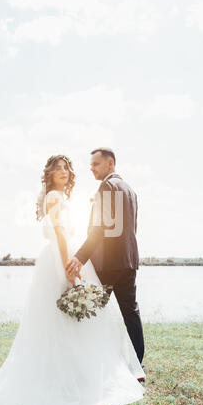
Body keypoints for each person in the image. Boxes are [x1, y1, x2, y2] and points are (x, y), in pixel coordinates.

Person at [0, 154, 145, 405]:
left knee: (63, 322)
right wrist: (70, 268)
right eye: (58, 168)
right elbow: (62, 234)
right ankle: (73, 380)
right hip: (60, 260)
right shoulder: (56, 198)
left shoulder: (54, 198)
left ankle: (68, 375)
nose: (63, 172)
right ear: (49, 173)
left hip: (55, 260)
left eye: (66, 168)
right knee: (71, 321)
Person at [66, 148, 145, 366]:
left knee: (92, 312)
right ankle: (138, 364)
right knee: (131, 312)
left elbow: (99, 228)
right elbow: (133, 228)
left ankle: (91, 362)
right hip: (128, 260)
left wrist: (80, 257)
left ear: (110, 164)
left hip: (108, 263)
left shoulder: (106, 186)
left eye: (96, 164)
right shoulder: (130, 190)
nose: (91, 168)